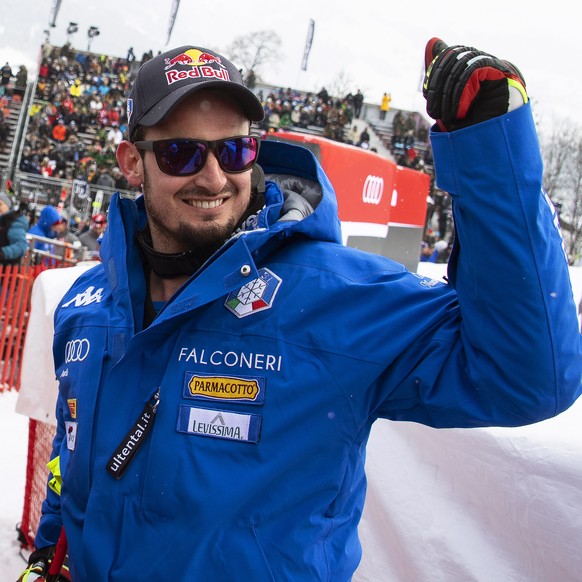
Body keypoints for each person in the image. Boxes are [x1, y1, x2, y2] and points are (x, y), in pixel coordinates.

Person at [20, 39, 581, 581]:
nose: (213, 177)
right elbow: (74, 461)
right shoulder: (86, 305)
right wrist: (51, 553)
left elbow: (527, 377)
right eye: (180, 152)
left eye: (234, 150)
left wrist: (491, 153)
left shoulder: (337, 295)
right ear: (131, 162)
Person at [0, 191, 28, 266]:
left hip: (7, 271)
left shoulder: (14, 222)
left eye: (0, 204)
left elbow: (21, 246)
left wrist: (2, 253)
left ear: (8, 206)